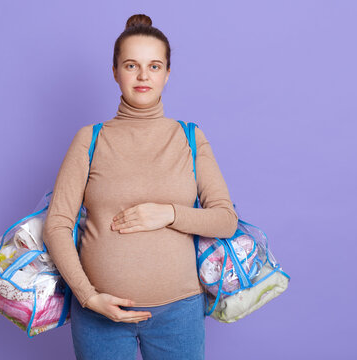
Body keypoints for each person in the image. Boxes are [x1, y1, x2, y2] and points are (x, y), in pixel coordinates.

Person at [43, 13, 238, 360]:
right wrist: (88, 297)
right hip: (98, 313)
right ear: (115, 71)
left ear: (167, 73)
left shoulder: (189, 137)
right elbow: (57, 225)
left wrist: (168, 214)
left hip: (179, 314)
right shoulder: (90, 139)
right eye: (132, 65)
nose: (143, 75)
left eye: (154, 66)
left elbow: (225, 219)